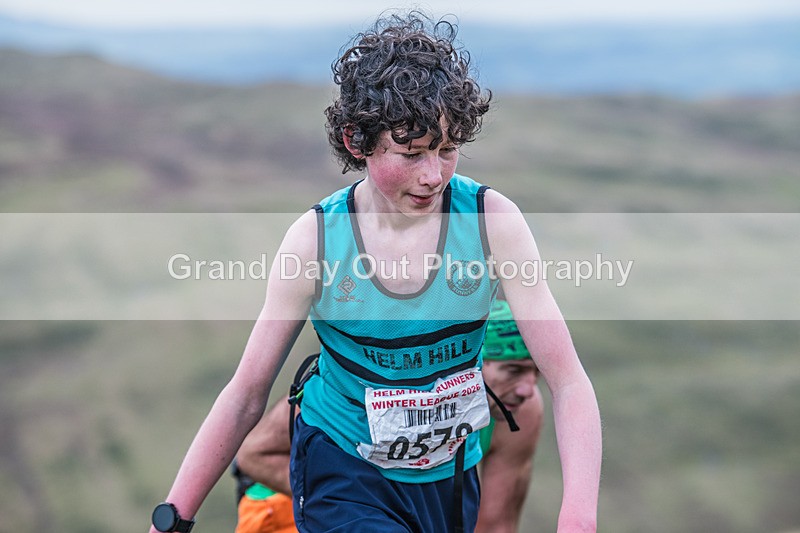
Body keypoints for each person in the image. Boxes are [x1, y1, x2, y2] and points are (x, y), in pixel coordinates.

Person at [149, 11, 600, 533]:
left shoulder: (490, 222)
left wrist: (578, 517)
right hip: (342, 470)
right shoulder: (316, 241)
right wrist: (173, 518)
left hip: (449, 477)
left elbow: (568, 381)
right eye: (411, 153)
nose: (433, 175)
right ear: (356, 141)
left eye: (447, 150)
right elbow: (247, 392)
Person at [233, 299, 544, 533]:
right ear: (472, 359)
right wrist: (373, 507)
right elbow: (252, 455)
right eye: (513, 370)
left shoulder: (520, 413)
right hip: (283, 509)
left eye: (536, 373)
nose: (527, 389)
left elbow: (495, 523)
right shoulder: (371, 387)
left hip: (411, 511)